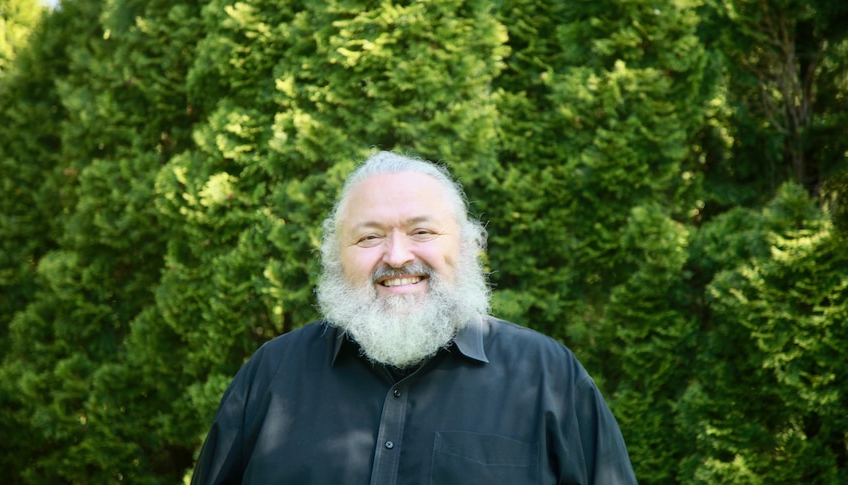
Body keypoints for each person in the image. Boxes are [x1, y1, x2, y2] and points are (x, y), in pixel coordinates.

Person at [190, 151, 637, 484]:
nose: (398, 256)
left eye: (422, 232)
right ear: (335, 257)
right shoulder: (271, 375)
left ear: (465, 246)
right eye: (369, 237)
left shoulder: (548, 376)